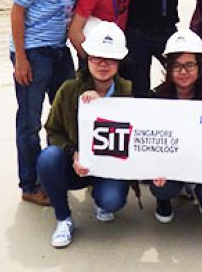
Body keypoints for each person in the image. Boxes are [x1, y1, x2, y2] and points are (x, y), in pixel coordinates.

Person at [9, 0, 93, 206]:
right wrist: (21, 58)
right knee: (30, 122)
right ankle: (30, 184)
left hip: (59, 49)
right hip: (33, 50)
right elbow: (17, 10)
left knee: (67, 113)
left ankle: (58, 173)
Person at [36, 21, 133, 248]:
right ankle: (63, 218)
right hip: (76, 166)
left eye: (110, 59)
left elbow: (137, 138)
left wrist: (106, 105)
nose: (103, 64)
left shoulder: (128, 93)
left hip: (109, 168)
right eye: (96, 58)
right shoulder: (69, 90)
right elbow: (53, 131)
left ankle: (100, 197)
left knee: (111, 201)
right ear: (87, 58)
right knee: (48, 158)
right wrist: (73, 153)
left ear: (119, 62)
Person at [147, 29, 202, 223]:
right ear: (168, 68)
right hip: (168, 167)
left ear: (200, 67)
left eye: (190, 65)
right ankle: (164, 199)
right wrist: (153, 168)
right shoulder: (155, 98)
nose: (183, 72)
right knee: (162, 187)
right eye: (176, 66)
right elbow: (148, 143)